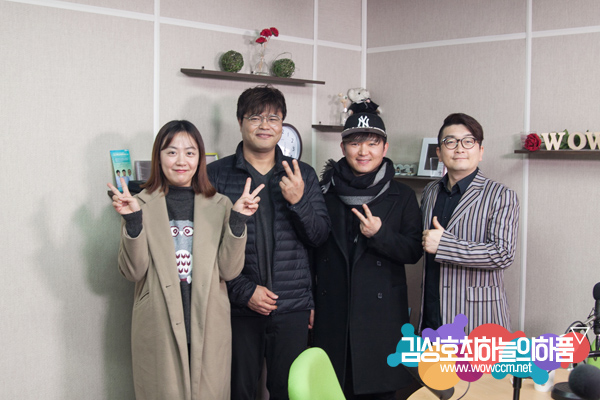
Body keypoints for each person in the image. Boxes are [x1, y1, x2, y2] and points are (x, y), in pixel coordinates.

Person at [108, 120, 263, 400]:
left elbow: (229, 271)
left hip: (209, 321)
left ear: (200, 159)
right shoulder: (139, 204)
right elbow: (134, 271)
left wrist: (238, 221)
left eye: (190, 153)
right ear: (159, 158)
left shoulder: (221, 204)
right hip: (159, 322)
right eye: (171, 152)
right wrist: (133, 222)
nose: (181, 161)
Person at [207, 85, 330, 400]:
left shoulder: (302, 174)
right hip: (237, 308)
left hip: (291, 307)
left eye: (273, 118)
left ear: (282, 124)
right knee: (238, 391)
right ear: (240, 122)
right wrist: (244, 292)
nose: (265, 126)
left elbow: (319, 237)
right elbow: (206, 249)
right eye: (255, 118)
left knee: (288, 391)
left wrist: (299, 201)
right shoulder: (215, 175)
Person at [312, 113, 423, 400]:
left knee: (378, 391)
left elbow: (413, 251)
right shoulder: (324, 192)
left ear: (385, 148)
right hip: (332, 313)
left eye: (372, 143)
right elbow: (310, 251)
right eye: (355, 143)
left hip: (381, 319)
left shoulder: (402, 195)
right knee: (331, 389)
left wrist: (380, 234)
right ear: (342, 147)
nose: (364, 151)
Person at [420, 113, 520, 334]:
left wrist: (445, 245)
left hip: (478, 318)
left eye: (468, 141)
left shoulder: (501, 195)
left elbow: (503, 254)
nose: (459, 149)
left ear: (480, 151)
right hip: (432, 315)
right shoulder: (430, 191)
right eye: (450, 142)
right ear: (439, 152)